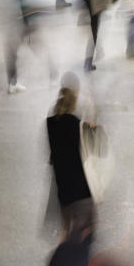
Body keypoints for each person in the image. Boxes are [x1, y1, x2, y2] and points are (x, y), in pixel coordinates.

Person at [47, 87, 95, 237]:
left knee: (65, 228)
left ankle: (63, 248)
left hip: (62, 186)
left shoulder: (49, 123)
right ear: (73, 104)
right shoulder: (78, 125)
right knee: (86, 230)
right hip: (81, 187)